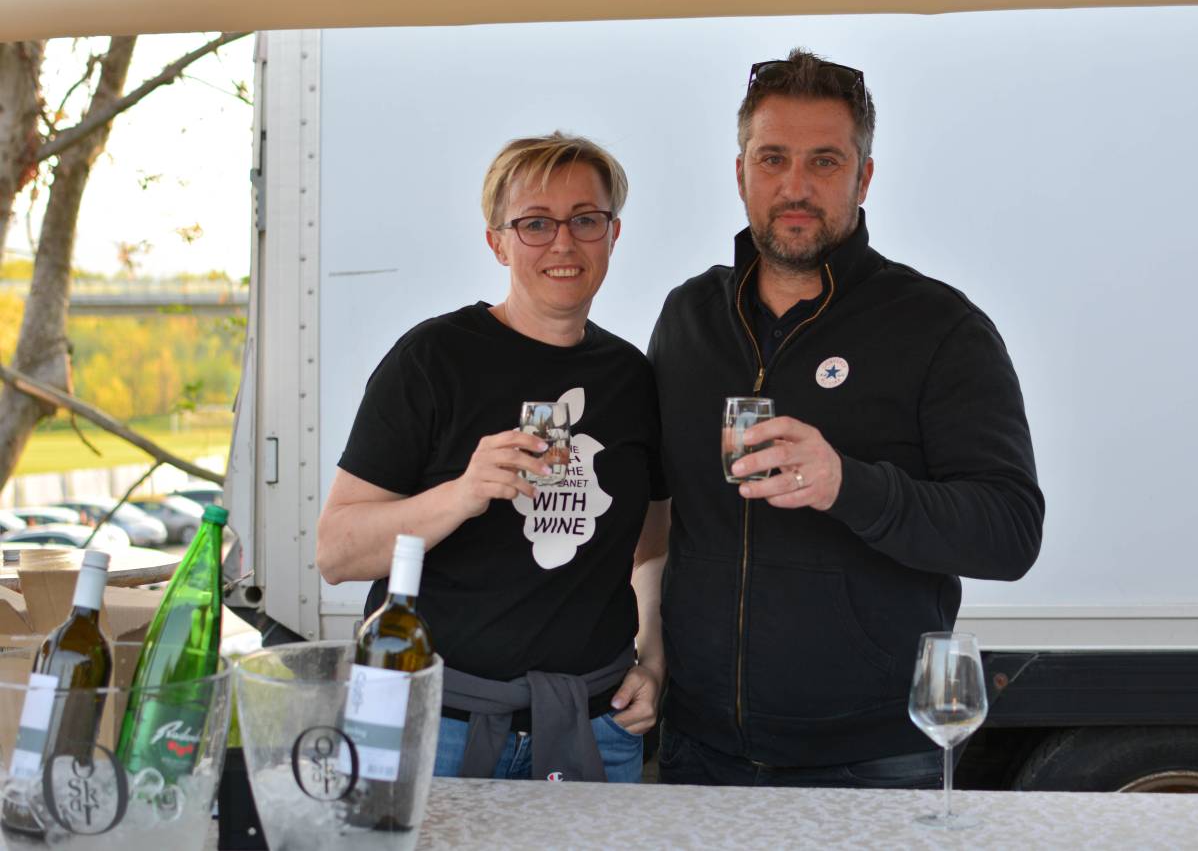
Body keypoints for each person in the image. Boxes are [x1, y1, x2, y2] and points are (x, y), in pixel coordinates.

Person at [646, 49, 1044, 787]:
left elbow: (1011, 532)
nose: (795, 186)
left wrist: (847, 486)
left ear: (864, 178)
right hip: (699, 748)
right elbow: (657, 503)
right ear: (740, 173)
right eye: (773, 158)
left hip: (874, 759)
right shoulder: (688, 317)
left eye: (824, 162)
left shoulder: (939, 327)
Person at [316, 132, 668, 783]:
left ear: (613, 234)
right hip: (434, 723)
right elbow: (336, 552)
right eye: (535, 223)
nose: (562, 243)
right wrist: (462, 493)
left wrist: (653, 658)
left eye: (585, 219)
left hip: (594, 722)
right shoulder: (433, 360)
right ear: (497, 242)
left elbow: (651, 545)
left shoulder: (631, 377)